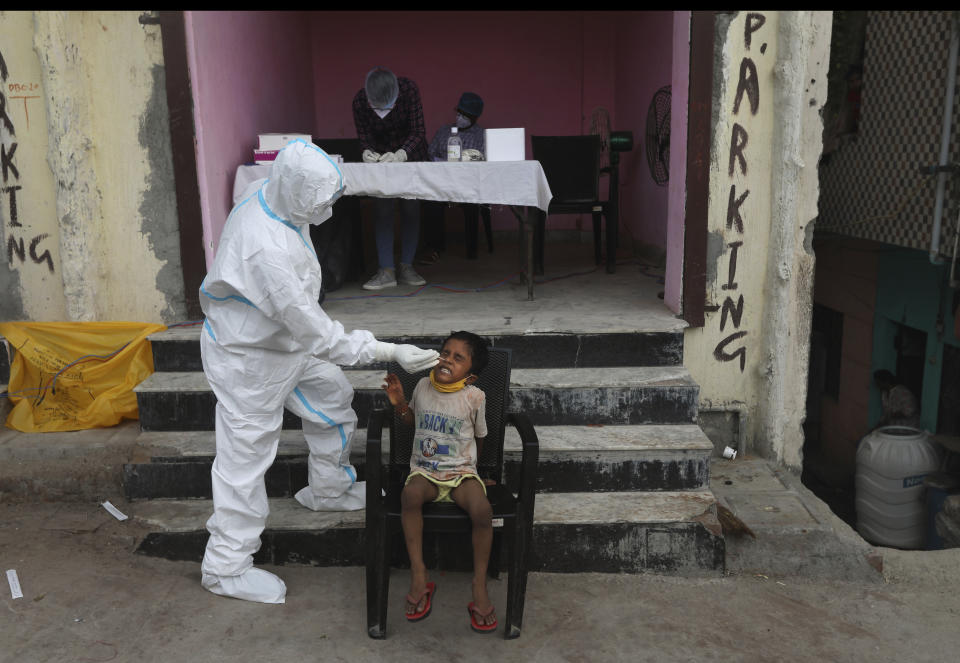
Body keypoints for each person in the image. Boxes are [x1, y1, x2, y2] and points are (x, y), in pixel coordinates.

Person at [198, 139, 439, 604]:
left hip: (283, 339)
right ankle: (226, 566)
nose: (327, 209)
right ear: (294, 191)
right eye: (321, 201)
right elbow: (324, 338)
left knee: (331, 396)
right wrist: (392, 352)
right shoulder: (265, 251)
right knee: (244, 462)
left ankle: (328, 487)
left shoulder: (274, 194)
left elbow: (306, 330)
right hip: (249, 358)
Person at [381, 331, 498, 633]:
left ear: (470, 376)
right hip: (425, 471)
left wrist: (478, 472)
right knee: (410, 496)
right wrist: (400, 405)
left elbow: (480, 437)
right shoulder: (422, 385)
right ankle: (419, 574)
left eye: (458, 358)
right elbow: (412, 421)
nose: (447, 359)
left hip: (461, 475)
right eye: (445, 352)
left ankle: (479, 584)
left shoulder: (475, 397)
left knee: (483, 511)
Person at [352, 67, 428, 290]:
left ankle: (407, 266)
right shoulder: (359, 102)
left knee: (411, 208)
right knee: (382, 209)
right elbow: (364, 137)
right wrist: (366, 151)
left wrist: (402, 153)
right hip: (381, 162)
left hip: (410, 156)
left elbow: (418, 131)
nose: (383, 111)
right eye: (377, 106)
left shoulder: (409, 90)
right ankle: (386, 270)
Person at [420, 92, 488, 264]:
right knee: (429, 201)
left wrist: (465, 160)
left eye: (466, 115)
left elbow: (485, 160)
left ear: (475, 117)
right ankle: (434, 248)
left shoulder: (481, 135)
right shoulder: (444, 132)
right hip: (442, 184)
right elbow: (430, 154)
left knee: (471, 204)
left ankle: (472, 250)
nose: (461, 117)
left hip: (468, 186)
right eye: (459, 113)